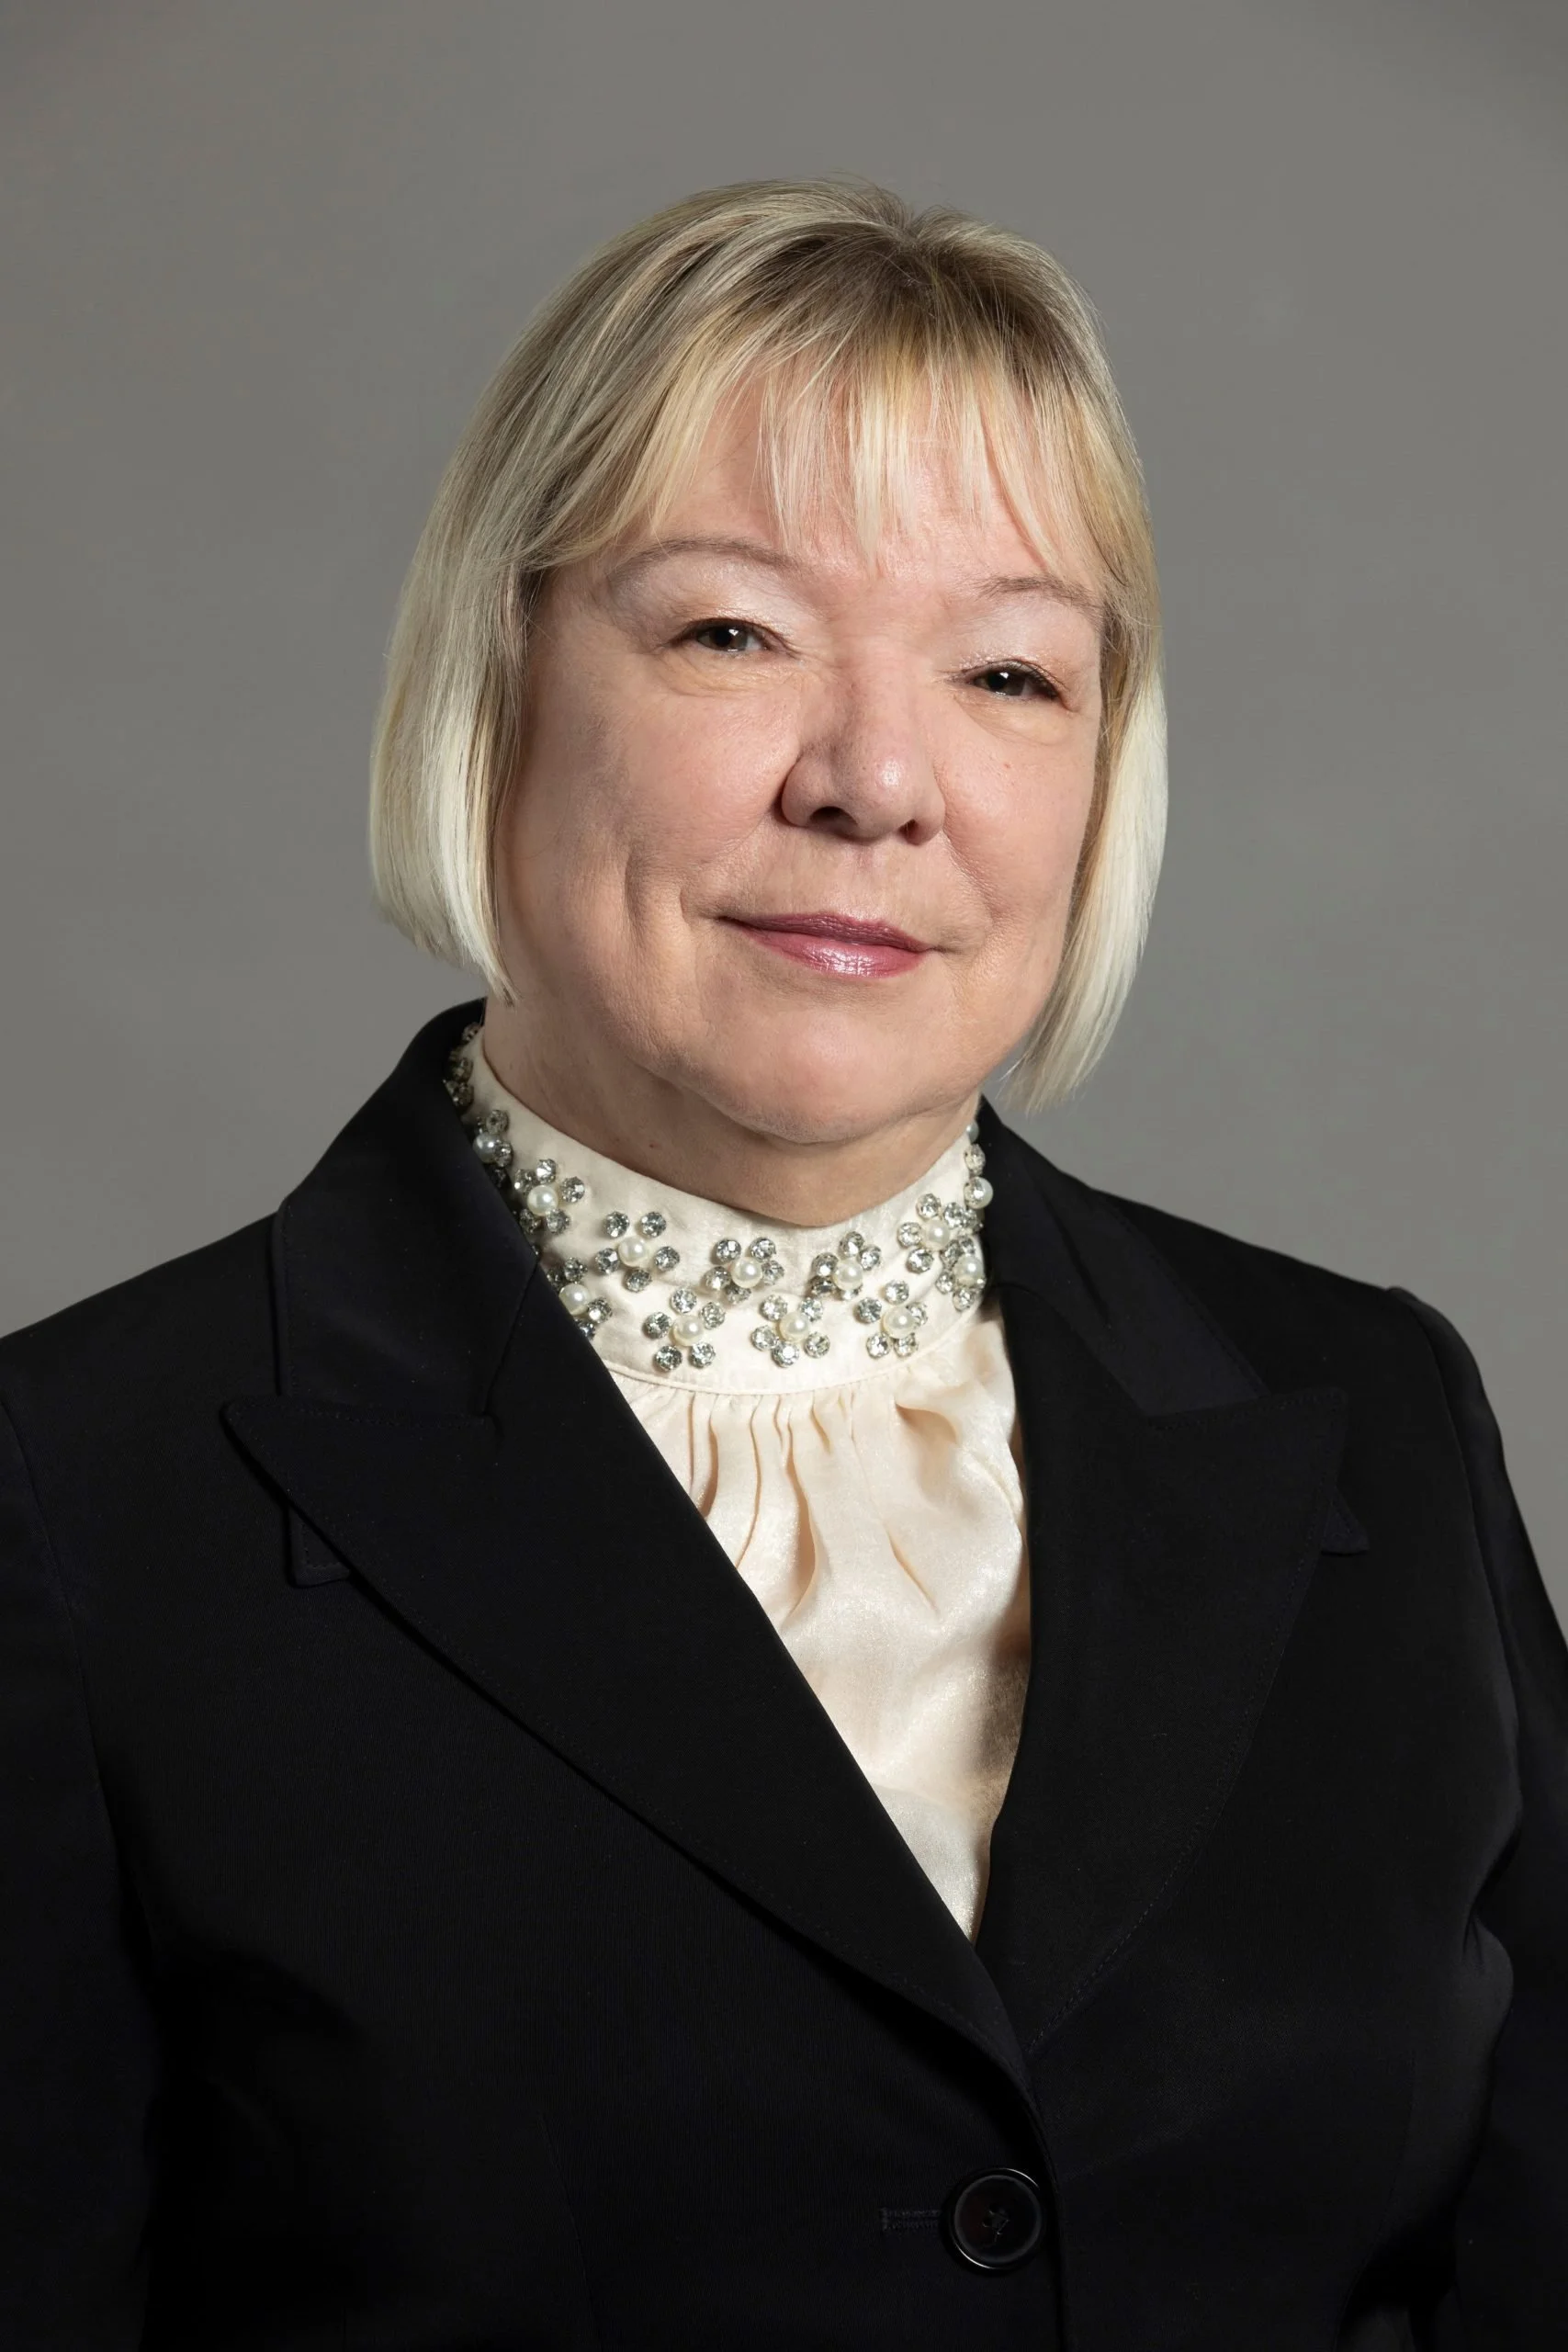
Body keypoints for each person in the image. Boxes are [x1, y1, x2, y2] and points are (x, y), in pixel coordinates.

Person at [1, 177, 1562, 2351]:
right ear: (498, 674)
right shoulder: (76, 1500)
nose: (878, 782)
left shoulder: (1381, 1419)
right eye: (730, 631)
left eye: (1008, 669)